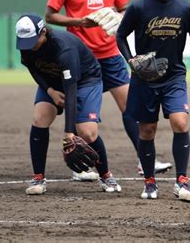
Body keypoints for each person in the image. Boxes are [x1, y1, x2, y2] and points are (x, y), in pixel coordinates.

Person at [46, 0, 172, 181]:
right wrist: (79, 22)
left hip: (110, 54)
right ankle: (80, 165)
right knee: (82, 116)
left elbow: (127, 10)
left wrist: (118, 20)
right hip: (81, 57)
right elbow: (50, 16)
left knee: (130, 108)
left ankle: (143, 159)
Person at [117, 0, 190, 202]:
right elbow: (121, 36)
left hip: (174, 75)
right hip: (144, 79)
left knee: (180, 122)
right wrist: (131, 59)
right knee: (147, 130)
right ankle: (149, 182)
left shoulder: (185, 8)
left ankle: (182, 181)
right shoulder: (139, 8)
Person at [16, 13, 122, 195]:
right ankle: (38, 178)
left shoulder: (64, 49)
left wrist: (69, 134)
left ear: (43, 33)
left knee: (87, 132)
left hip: (85, 81)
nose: (29, 47)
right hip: (52, 82)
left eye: (33, 41)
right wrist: (50, 91)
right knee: (39, 118)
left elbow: (71, 90)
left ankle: (106, 176)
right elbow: (33, 69)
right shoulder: (27, 44)